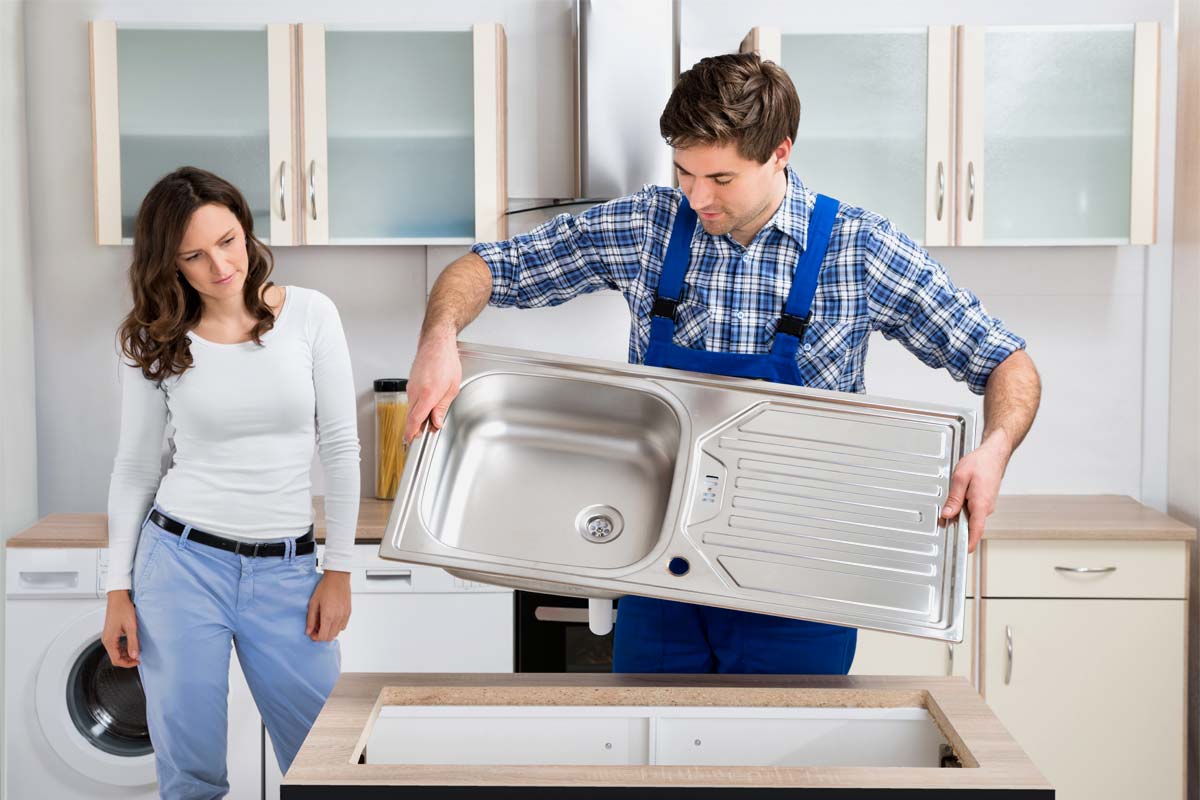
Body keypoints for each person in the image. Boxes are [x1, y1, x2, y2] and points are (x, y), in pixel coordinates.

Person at [405, 52, 1041, 675]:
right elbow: (485, 268)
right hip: (661, 580)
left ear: (780, 153)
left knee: (785, 777)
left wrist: (995, 449)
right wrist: (438, 337)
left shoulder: (861, 248)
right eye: (684, 172)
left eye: (721, 179)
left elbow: (1006, 362)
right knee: (654, 769)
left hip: (803, 587)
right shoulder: (647, 225)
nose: (697, 196)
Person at [101, 166, 360, 797]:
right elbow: (135, 467)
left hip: (289, 573)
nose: (220, 265)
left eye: (229, 240)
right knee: (191, 777)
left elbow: (341, 445)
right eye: (194, 255)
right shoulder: (154, 340)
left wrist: (341, 569)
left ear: (246, 229)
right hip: (181, 567)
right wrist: (117, 588)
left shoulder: (310, 315)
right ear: (170, 265)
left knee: (328, 765)